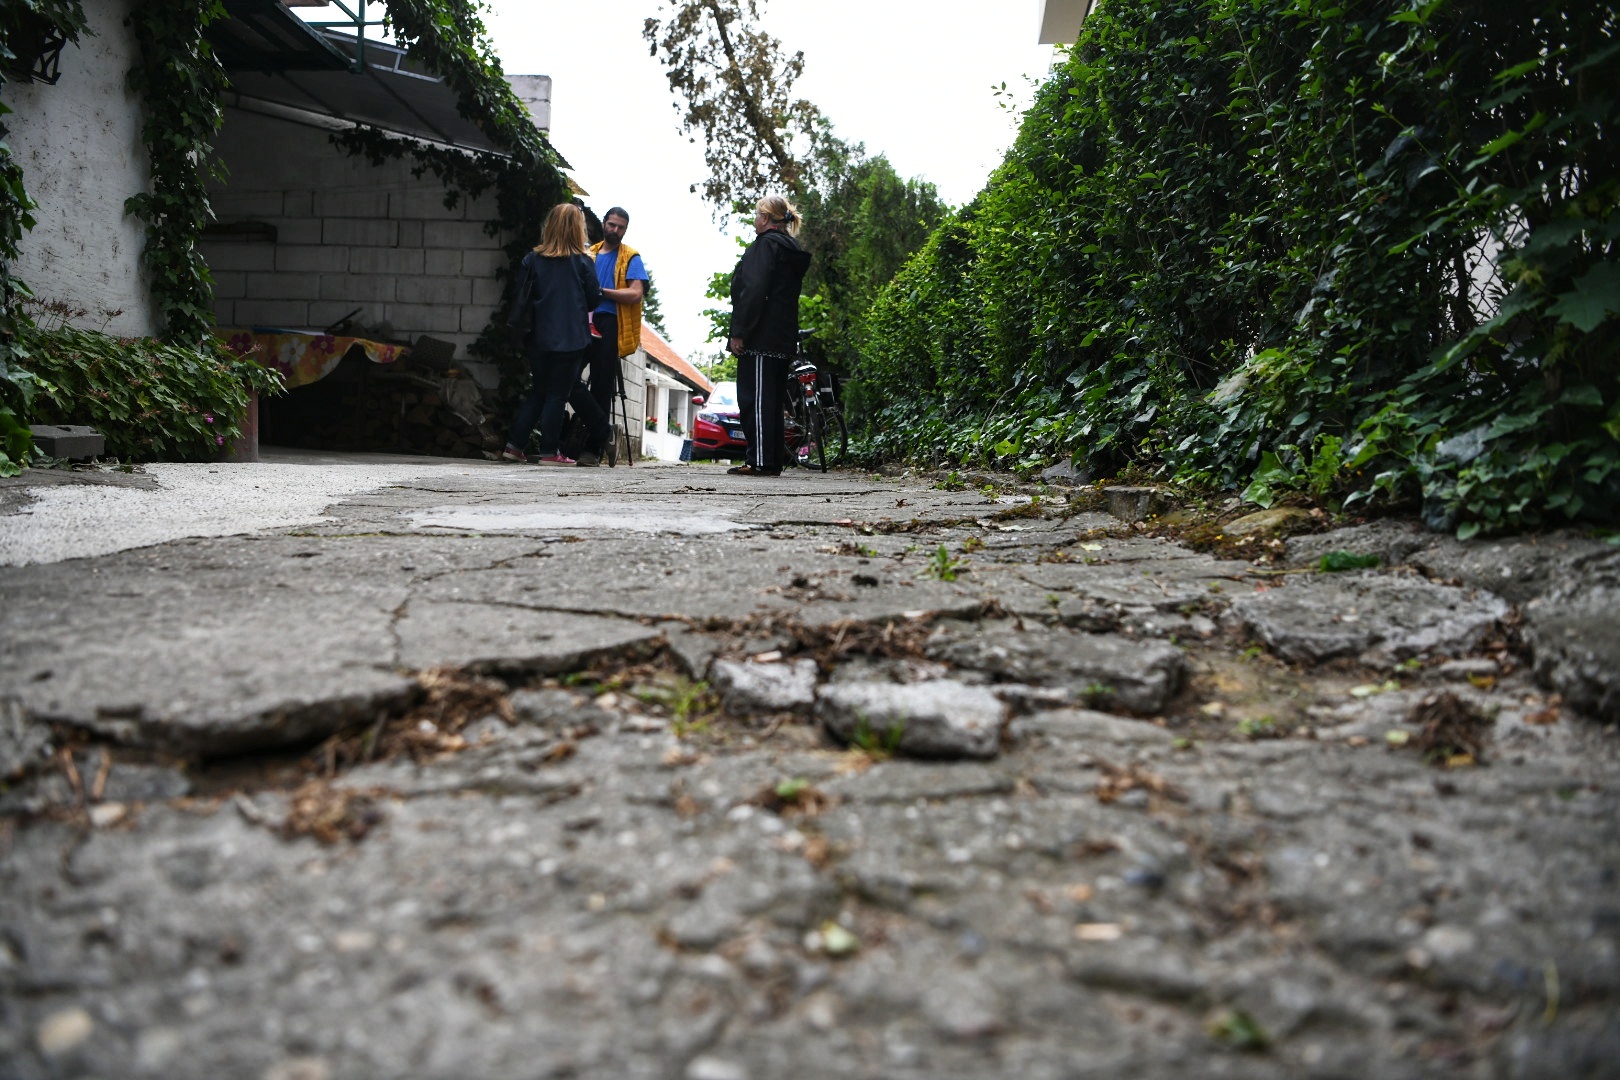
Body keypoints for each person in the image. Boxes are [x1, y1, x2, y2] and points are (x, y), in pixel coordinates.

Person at [501, 203, 612, 467]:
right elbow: (594, 299)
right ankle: (550, 451)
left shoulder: (532, 259)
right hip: (571, 337)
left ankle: (514, 446)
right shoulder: (583, 262)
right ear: (577, 229)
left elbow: (521, 295)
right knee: (558, 394)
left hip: (538, 336)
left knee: (539, 391)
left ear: (549, 226)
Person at [727, 195, 811, 477]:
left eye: (756, 214)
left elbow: (753, 291)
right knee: (772, 401)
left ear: (764, 218)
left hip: (760, 338)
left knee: (756, 400)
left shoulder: (765, 247)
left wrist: (739, 332)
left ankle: (760, 462)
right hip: (781, 335)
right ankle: (769, 460)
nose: (754, 219)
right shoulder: (789, 248)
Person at [583, 206, 649, 467]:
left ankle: (592, 450)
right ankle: (599, 431)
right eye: (611, 225)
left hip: (610, 322)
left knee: (601, 385)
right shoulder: (590, 253)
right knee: (568, 379)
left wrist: (602, 292)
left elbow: (635, 294)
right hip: (582, 321)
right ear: (603, 223)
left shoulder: (631, 257)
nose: (615, 230)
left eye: (621, 227)